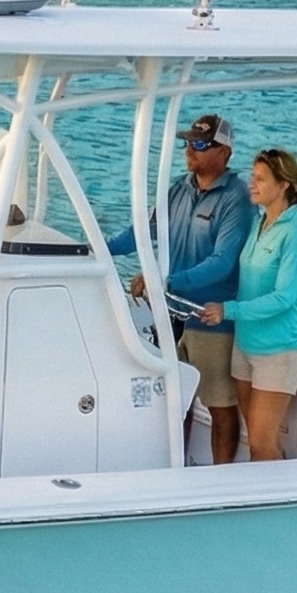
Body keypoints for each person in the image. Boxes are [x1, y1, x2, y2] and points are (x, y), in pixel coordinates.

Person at [108, 113, 254, 464]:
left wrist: (165, 281)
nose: (191, 150)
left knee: (220, 406)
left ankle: (221, 481)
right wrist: (91, 249)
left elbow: (223, 261)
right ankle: (176, 470)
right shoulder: (176, 188)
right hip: (169, 312)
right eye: (188, 142)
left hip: (211, 319)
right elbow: (138, 234)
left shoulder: (236, 198)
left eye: (201, 144)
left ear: (225, 153)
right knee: (173, 399)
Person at [198, 148, 297, 462]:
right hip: (245, 345)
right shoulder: (259, 223)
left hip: (278, 351)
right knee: (254, 438)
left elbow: (285, 297)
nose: (251, 184)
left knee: (261, 445)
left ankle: (276, 509)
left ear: (284, 186)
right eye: (252, 177)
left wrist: (229, 310)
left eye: (260, 179)